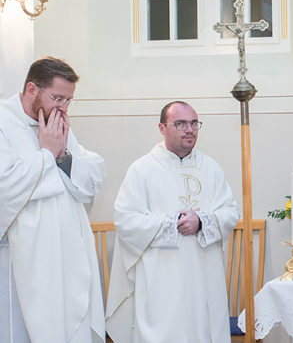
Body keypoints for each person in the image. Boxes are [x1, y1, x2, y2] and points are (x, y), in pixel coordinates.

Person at [106, 101, 238, 343]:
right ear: (162, 127)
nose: (189, 130)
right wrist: (173, 222)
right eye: (180, 124)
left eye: (194, 123)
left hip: (203, 275)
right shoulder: (142, 170)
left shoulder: (211, 168)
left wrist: (201, 221)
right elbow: (125, 220)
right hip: (160, 278)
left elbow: (230, 212)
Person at [0, 57, 106, 343]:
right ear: (32, 89)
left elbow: (91, 174)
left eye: (69, 101)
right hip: (20, 260)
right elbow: (4, 186)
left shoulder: (53, 121)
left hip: (65, 255)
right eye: (57, 98)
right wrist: (46, 155)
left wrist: (63, 157)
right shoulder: (3, 122)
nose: (63, 108)